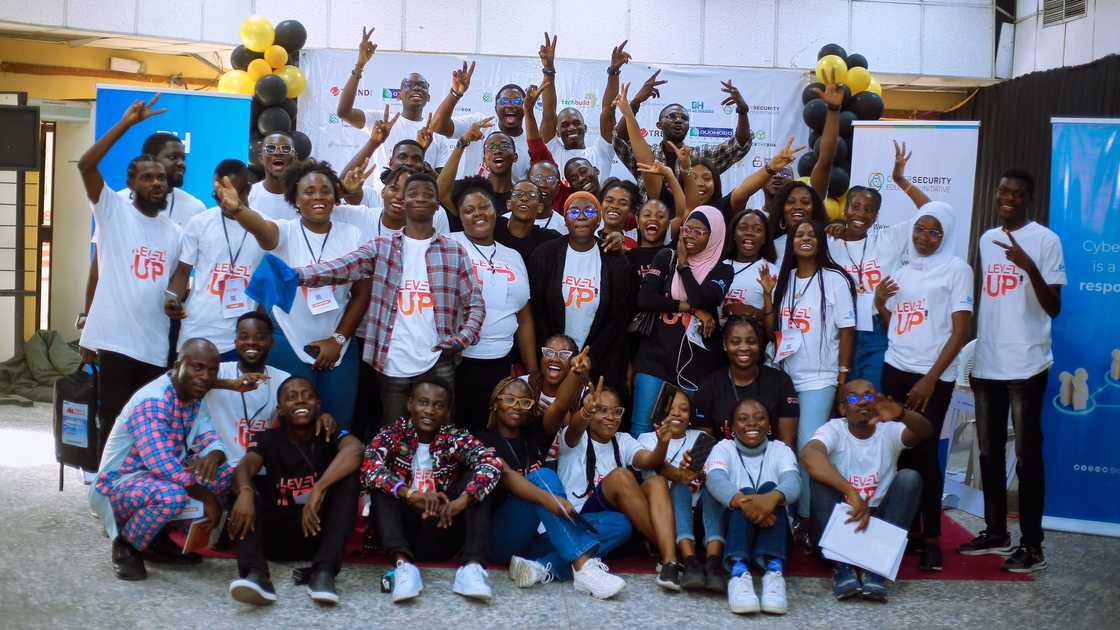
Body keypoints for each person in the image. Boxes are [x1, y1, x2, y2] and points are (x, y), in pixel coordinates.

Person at [280, 172, 485, 430]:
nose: (420, 198)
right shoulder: (381, 246)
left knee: (440, 437)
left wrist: (461, 339)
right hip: (392, 362)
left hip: (439, 360)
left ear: (437, 205)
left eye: (427, 195)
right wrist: (295, 275)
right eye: (413, 194)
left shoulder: (454, 250)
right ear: (404, 202)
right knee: (394, 435)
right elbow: (340, 268)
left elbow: (475, 304)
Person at [953, 169, 1063, 573]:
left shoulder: (1046, 240)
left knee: (1027, 457)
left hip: (1028, 364)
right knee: (987, 451)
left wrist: (1028, 266)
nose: (1008, 198)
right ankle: (996, 531)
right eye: (1003, 192)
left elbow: (1054, 307)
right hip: (988, 362)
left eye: (1017, 193)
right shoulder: (986, 239)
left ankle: (1033, 546)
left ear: (1029, 198)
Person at [219, 160, 371, 430]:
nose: (318, 197)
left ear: (336, 196)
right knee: (289, 427)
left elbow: (362, 293)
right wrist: (240, 210)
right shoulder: (285, 231)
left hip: (339, 345)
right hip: (287, 340)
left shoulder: (353, 234)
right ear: (295, 199)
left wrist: (337, 340)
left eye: (325, 190)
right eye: (309, 191)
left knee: (337, 425)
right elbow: (262, 229)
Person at [75, 94, 184, 452]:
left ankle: (137, 493)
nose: (157, 183)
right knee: (113, 423)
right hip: (116, 342)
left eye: (161, 178)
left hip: (155, 345)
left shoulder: (175, 233)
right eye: (147, 178)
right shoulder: (113, 210)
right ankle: (108, 496)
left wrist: (176, 302)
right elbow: (86, 166)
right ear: (132, 183)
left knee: (148, 425)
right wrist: (126, 123)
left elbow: (173, 285)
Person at [874, 201, 973, 572]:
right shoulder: (904, 269)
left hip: (933, 376)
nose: (925, 237)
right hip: (894, 367)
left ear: (946, 235)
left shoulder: (957, 270)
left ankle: (932, 538)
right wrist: (881, 303)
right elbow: (899, 323)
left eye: (934, 232)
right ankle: (904, 531)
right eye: (920, 229)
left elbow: (961, 331)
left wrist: (930, 379)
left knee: (926, 453)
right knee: (897, 452)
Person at [480, 368, 630, 599]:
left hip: (544, 536)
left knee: (619, 523)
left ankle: (541, 567)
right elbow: (509, 478)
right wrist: (552, 501)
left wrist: (575, 373)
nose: (517, 406)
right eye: (509, 399)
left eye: (525, 401)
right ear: (494, 404)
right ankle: (582, 566)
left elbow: (559, 406)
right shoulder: (482, 439)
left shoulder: (533, 436)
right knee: (543, 478)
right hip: (503, 537)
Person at [91, 338, 233, 581]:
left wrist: (215, 454)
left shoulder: (193, 397)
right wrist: (208, 497)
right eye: (197, 367)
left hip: (157, 480)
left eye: (212, 371)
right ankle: (127, 546)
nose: (206, 377)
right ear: (178, 365)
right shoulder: (153, 402)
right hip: (116, 485)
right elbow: (164, 465)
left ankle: (158, 539)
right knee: (172, 496)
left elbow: (211, 437)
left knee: (225, 473)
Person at [363, 378, 503, 602]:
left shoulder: (454, 437)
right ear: (410, 404)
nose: (429, 410)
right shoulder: (392, 435)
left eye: (438, 405)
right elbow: (370, 465)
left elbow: (492, 462)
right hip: (403, 532)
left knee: (477, 481)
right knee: (383, 486)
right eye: (423, 402)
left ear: (448, 411)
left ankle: (471, 568)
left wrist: (461, 502)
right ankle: (404, 568)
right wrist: (410, 494)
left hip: (444, 524)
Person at [227, 376, 363, 606]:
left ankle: (324, 573)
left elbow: (356, 449)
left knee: (349, 480)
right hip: (276, 536)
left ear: (318, 404)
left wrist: (319, 488)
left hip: (317, 533)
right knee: (242, 490)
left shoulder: (329, 431)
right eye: (291, 397)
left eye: (307, 395)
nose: (300, 401)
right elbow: (245, 466)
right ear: (280, 409)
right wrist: (246, 491)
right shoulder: (268, 438)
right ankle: (257, 576)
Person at [801, 379, 931, 602]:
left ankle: (876, 568)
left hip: (879, 521)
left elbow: (925, 431)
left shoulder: (888, 429)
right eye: (853, 398)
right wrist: (850, 491)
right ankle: (843, 566)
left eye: (868, 396)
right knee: (819, 478)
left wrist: (901, 414)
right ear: (842, 408)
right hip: (842, 520)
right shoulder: (834, 428)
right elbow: (809, 454)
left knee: (910, 478)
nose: (862, 401)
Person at [556, 375, 679, 589]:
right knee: (621, 477)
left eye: (617, 411)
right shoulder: (573, 438)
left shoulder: (623, 440)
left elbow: (650, 461)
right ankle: (673, 550)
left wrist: (663, 443)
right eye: (602, 410)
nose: (611, 417)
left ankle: (669, 563)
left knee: (657, 481)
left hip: (615, 520)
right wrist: (584, 411)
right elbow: (575, 427)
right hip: (579, 517)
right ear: (590, 411)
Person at [772, 220, 856, 520]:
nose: (805, 239)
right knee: (786, 448)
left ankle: (809, 519)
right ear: (791, 243)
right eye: (799, 235)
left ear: (821, 242)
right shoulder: (786, 279)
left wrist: (843, 376)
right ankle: (789, 515)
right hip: (785, 377)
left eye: (812, 234)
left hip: (819, 378)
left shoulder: (835, 279)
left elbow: (847, 330)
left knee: (809, 447)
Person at [631, 207, 732, 435]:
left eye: (700, 231)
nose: (690, 235)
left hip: (697, 366)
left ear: (714, 235)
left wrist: (684, 266)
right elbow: (645, 299)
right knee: (643, 429)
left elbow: (703, 298)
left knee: (687, 432)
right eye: (688, 229)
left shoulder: (723, 270)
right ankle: (638, 472)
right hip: (654, 359)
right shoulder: (666, 256)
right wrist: (691, 309)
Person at [447, 178, 538, 430]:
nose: (478, 213)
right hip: (456, 361)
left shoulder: (513, 256)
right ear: (460, 216)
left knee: (489, 433)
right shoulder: (448, 244)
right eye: (468, 209)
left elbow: (524, 317)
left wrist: (532, 371)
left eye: (484, 206)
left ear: (496, 210)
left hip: (500, 363)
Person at [704, 398, 800, 615]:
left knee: (770, 488)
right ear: (731, 426)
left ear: (769, 425)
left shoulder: (780, 449)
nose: (752, 424)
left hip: (776, 523)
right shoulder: (723, 447)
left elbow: (794, 485)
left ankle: (774, 573)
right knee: (745, 493)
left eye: (760, 418)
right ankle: (739, 573)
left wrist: (769, 500)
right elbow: (715, 480)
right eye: (743, 419)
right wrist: (745, 502)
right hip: (736, 525)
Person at [528, 191, 632, 389]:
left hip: (597, 361)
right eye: (574, 212)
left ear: (599, 219)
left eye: (589, 211)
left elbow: (618, 319)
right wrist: (555, 354)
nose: (582, 216)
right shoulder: (545, 254)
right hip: (551, 361)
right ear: (565, 219)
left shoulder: (615, 259)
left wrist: (589, 358)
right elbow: (536, 313)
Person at [165, 160, 266, 361]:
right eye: (217, 196)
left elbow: (267, 283)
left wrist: (260, 324)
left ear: (247, 190)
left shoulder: (263, 227)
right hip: (197, 329)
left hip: (242, 335)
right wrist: (172, 299)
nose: (223, 202)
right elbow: (183, 271)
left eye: (230, 195)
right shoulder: (200, 223)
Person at [335, 27, 451, 193]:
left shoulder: (437, 134)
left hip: (418, 208)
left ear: (428, 97)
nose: (416, 88)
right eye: (409, 85)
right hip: (382, 205)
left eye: (422, 86)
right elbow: (344, 112)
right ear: (399, 95)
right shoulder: (381, 120)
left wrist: (423, 159)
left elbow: (442, 187)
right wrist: (359, 66)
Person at [613, 70, 753, 199]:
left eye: (684, 118)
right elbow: (620, 141)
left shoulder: (699, 157)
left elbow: (739, 144)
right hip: (651, 221)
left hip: (688, 223)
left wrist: (742, 111)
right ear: (659, 125)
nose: (679, 120)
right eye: (672, 116)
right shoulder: (647, 155)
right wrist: (636, 102)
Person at [638, 387, 724, 593]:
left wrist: (700, 473)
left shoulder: (701, 437)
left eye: (684, 409)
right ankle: (690, 560)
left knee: (713, 487)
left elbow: (715, 473)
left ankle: (713, 562)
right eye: (671, 409)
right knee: (679, 487)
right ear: (660, 411)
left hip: (701, 517)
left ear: (690, 416)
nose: (677, 413)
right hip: (666, 521)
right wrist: (681, 475)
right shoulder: (646, 439)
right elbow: (656, 465)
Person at [429, 43, 553, 180]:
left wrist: (548, 70)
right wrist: (455, 94)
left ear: (525, 106)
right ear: (495, 108)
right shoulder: (479, 124)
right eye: (504, 101)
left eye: (518, 102)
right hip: (469, 199)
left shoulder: (530, 141)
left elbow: (549, 114)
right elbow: (437, 125)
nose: (511, 106)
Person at [201, 312, 306, 468]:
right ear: (235, 342)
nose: (251, 342)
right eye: (244, 337)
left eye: (260, 337)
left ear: (271, 343)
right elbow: (182, 381)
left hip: (264, 467)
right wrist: (230, 384)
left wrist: (323, 417)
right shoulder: (218, 371)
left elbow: (303, 412)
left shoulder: (283, 379)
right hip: (220, 464)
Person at [693, 315, 799, 448]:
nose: (744, 347)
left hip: (771, 462)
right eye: (736, 342)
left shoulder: (780, 381)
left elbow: (786, 444)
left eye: (751, 341)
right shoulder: (709, 386)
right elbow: (703, 447)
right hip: (724, 463)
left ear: (759, 344)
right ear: (725, 345)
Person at [538, 39, 629, 181]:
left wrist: (613, 72)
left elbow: (608, 112)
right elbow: (548, 114)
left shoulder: (601, 151)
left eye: (576, 123)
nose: (571, 128)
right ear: (556, 132)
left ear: (585, 127)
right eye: (565, 125)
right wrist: (549, 70)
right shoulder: (552, 151)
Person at [721, 209, 778, 325]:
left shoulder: (772, 272)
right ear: (733, 235)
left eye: (757, 230)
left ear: (764, 239)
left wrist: (752, 312)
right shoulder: (719, 267)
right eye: (743, 228)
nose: (749, 233)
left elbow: (778, 318)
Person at [495, 179, 563, 262]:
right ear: (508, 204)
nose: (524, 198)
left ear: (540, 207)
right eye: (518, 194)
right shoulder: (494, 226)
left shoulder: (549, 239)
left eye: (532, 195)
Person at [248, 131, 300, 221]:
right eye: (270, 148)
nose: (278, 153)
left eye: (286, 148)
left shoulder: (305, 197)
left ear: (294, 158)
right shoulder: (248, 196)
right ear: (261, 158)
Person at [525, 334, 579, 413]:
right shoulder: (524, 383)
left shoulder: (583, 394)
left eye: (564, 354)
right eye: (549, 352)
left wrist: (559, 418)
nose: (555, 359)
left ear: (574, 361)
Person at [597, 179, 642, 250]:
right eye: (609, 200)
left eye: (622, 203)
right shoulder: (587, 238)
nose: (614, 206)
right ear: (601, 204)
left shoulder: (633, 244)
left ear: (632, 212)